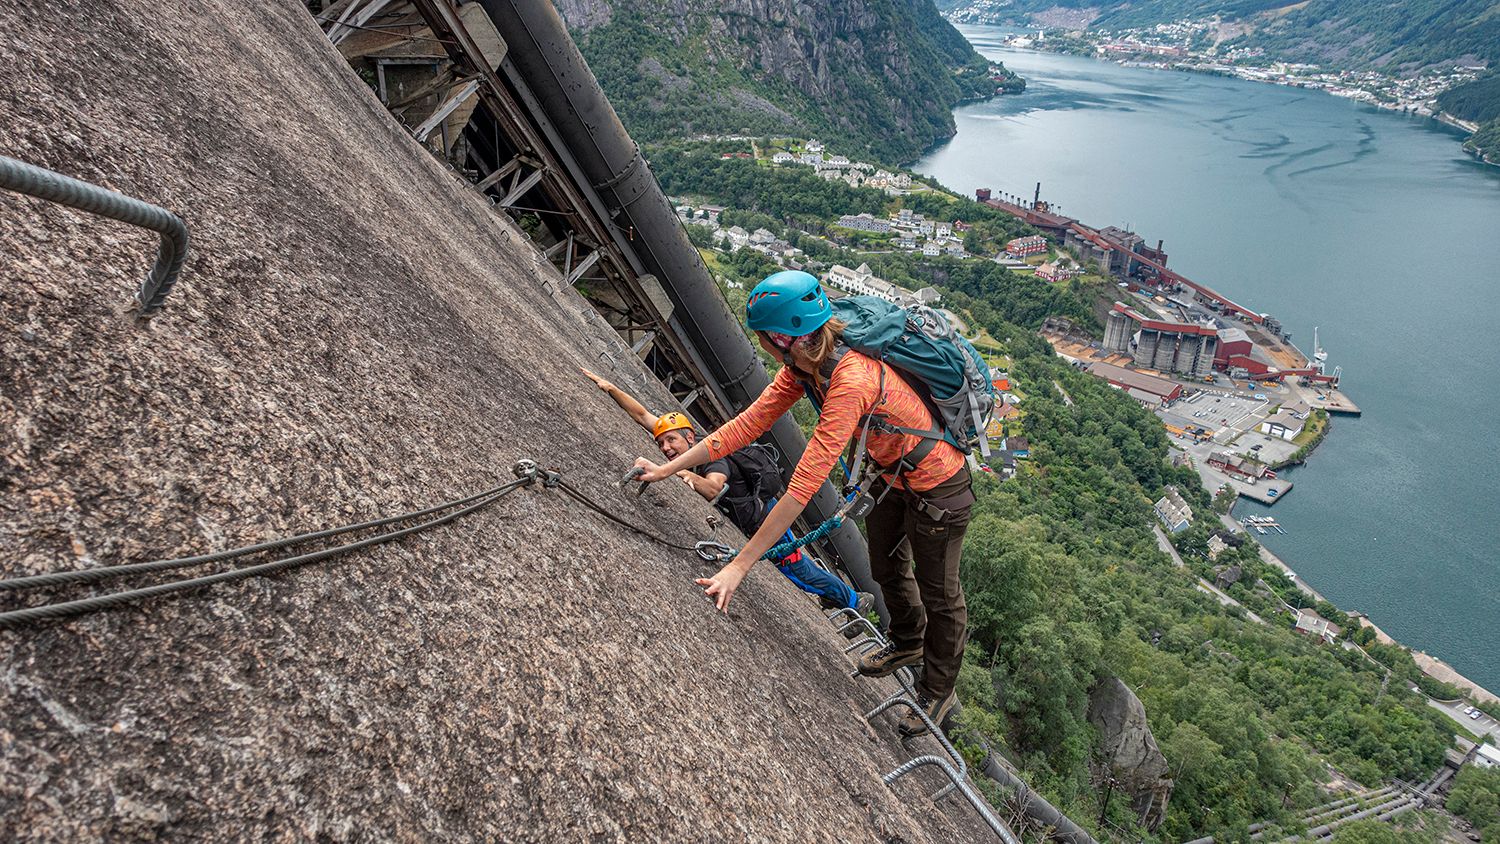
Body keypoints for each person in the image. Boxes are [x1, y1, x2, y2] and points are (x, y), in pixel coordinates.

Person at [631, 270, 976, 737]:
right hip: (890, 476)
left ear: (782, 337)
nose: (765, 348)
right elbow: (744, 426)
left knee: (939, 590)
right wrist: (669, 469)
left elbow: (803, 487)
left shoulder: (851, 378)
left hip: (939, 487)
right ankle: (907, 644)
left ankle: (938, 690)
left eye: (765, 339)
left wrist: (740, 565)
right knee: (886, 569)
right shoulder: (805, 366)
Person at [581, 368, 868, 613]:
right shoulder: (682, 441)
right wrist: (610, 388)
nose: (666, 448)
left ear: (689, 437)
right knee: (797, 568)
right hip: (761, 512)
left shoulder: (714, 458)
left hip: (763, 523)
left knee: (797, 569)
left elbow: (713, 488)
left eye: (671, 441)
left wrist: (676, 471)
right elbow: (644, 415)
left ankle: (854, 601)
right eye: (662, 444)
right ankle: (836, 595)